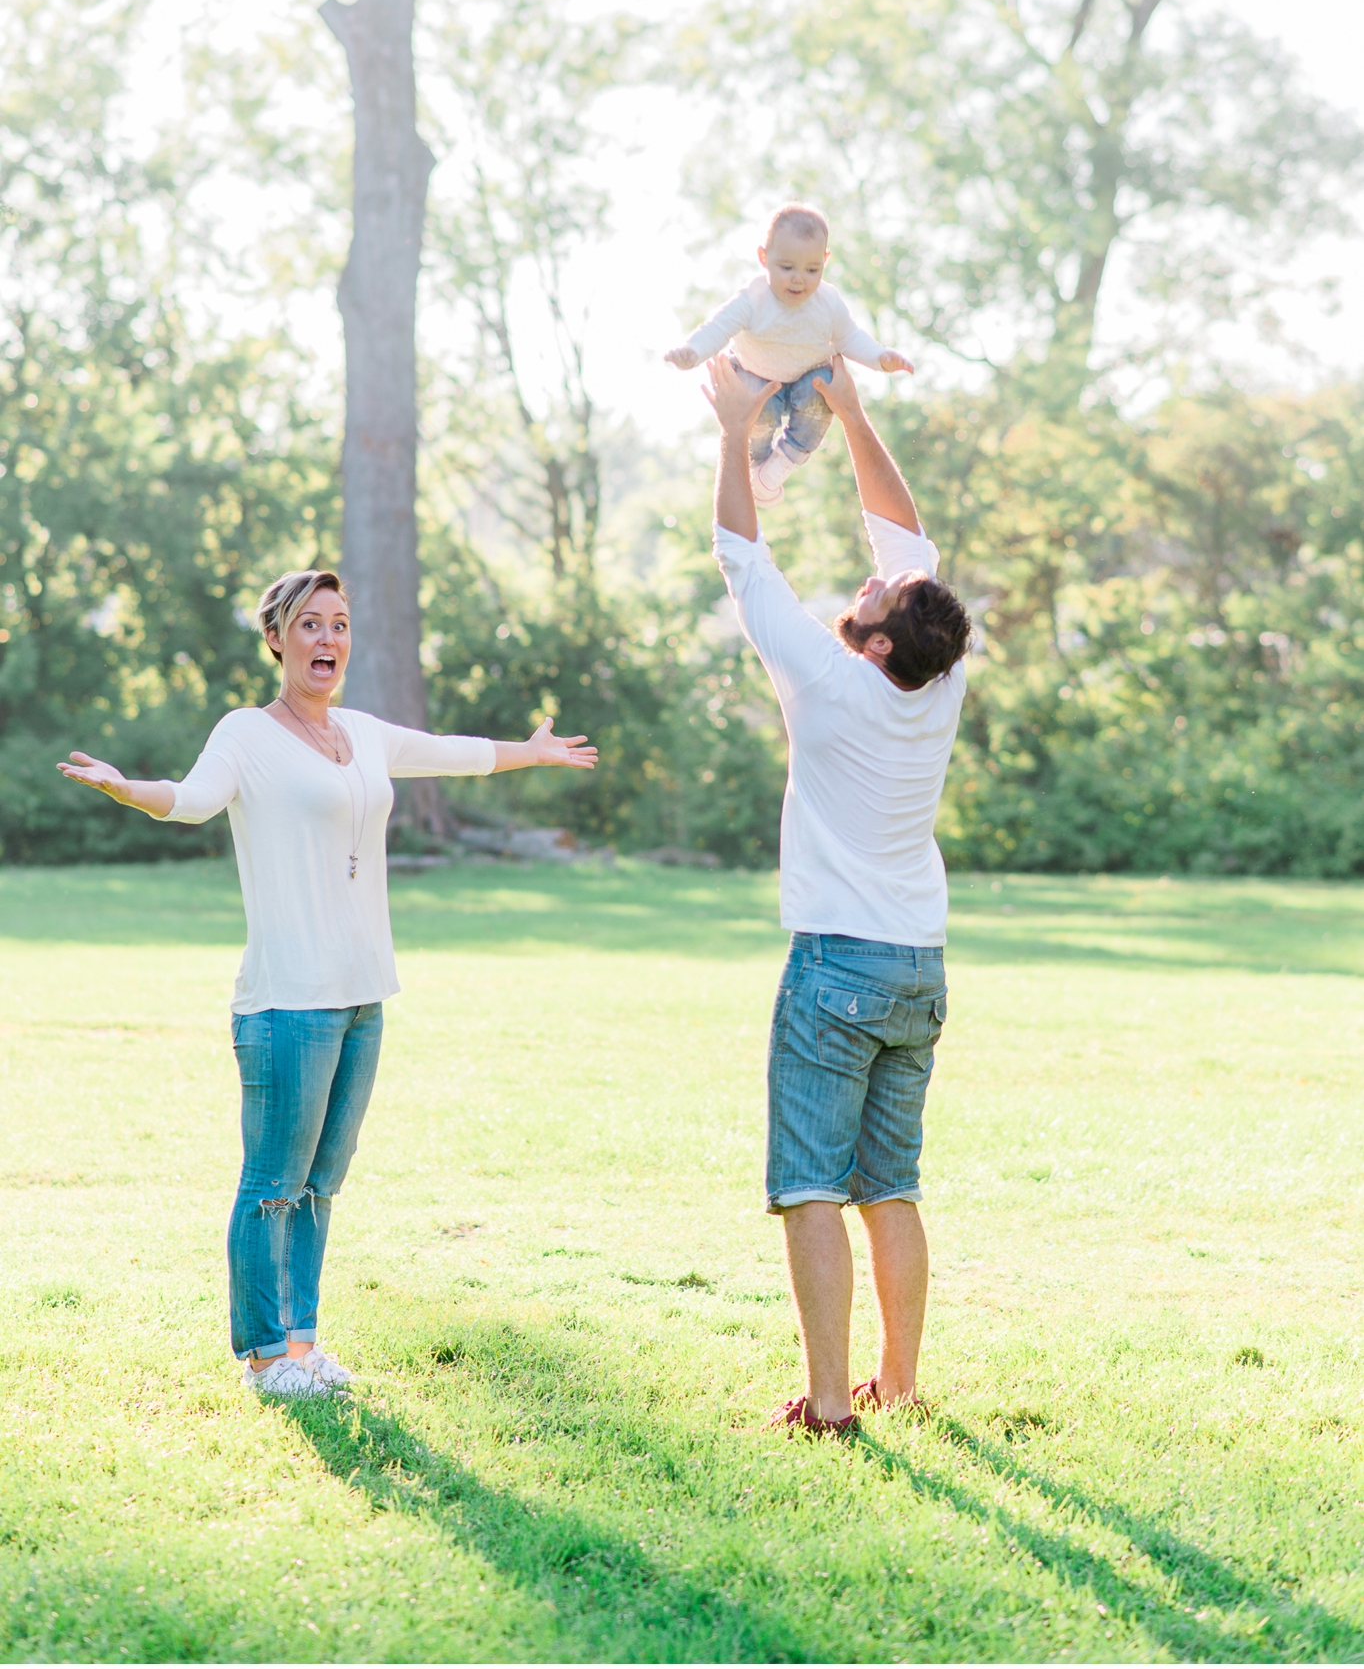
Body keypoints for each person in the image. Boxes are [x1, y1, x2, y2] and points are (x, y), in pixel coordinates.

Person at [58, 568, 597, 1399]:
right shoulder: (246, 732)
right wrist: (125, 787)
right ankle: (265, 1357)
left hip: (360, 994)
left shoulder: (361, 732)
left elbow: (446, 754)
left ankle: (304, 1348)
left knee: (319, 1185)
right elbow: (194, 800)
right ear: (276, 638)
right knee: (271, 1184)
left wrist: (528, 751)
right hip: (285, 999)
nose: (327, 641)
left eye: (340, 625)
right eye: (309, 625)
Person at [704, 352, 972, 1435]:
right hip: (918, 964)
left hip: (836, 968)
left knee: (811, 1181)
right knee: (889, 1183)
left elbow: (737, 552)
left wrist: (733, 429)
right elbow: (910, 546)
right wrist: (852, 412)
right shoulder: (937, 672)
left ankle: (827, 1404)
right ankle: (896, 1383)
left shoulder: (822, 677)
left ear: (868, 642)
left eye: (873, 596)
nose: (870, 579)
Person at [665, 204, 914, 507]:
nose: (799, 279)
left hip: (806, 383)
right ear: (763, 258)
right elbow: (718, 328)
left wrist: (879, 358)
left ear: (825, 261)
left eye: (812, 270)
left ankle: (781, 463)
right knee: (755, 400)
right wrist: (693, 352)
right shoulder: (753, 299)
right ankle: (756, 463)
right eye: (787, 267)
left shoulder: (828, 302)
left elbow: (849, 337)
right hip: (757, 376)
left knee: (825, 385)